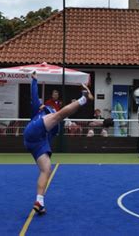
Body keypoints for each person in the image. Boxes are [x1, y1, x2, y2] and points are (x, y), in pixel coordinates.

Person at [24, 72, 93, 215]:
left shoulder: (53, 124)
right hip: (34, 130)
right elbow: (35, 95)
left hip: (37, 142)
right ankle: (82, 100)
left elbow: (63, 114)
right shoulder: (41, 109)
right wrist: (34, 81)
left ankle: (39, 202)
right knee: (59, 115)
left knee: (46, 170)